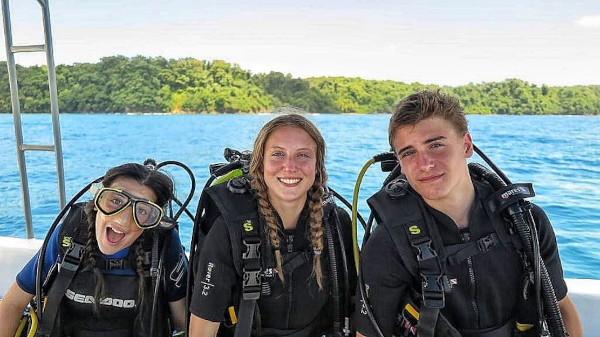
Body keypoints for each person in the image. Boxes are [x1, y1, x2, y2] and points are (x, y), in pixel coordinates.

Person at [355, 90, 582, 337]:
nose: (425, 163)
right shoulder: (388, 243)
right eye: (409, 152)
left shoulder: (526, 222)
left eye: (436, 145)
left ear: (466, 145)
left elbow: (560, 306)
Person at [189, 111, 356, 336]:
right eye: (278, 154)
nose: (289, 166)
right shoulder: (231, 227)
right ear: (260, 164)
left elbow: (356, 308)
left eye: (303, 155)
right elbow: (203, 327)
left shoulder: (335, 224)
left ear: (317, 167)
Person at [0, 161, 188, 337]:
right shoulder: (72, 233)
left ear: (152, 222)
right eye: (115, 201)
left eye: (142, 211)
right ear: (98, 200)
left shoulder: (162, 245)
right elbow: (13, 304)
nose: (122, 219)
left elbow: (182, 324)